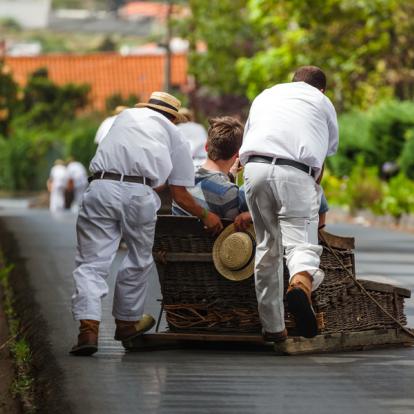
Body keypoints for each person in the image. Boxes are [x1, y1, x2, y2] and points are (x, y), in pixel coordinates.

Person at [70, 92, 223, 356]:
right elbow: (180, 195)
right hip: (138, 194)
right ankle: (127, 323)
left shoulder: (123, 118)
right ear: (174, 118)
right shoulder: (175, 135)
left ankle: (88, 328)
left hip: (101, 187)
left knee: (91, 263)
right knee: (139, 258)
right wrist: (206, 216)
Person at [239, 66, 339, 342]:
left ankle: (273, 328)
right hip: (295, 172)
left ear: (293, 81)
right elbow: (325, 151)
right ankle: (299, 286)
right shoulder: (321, 101)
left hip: (255, 168)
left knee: (267, 246)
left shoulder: (266, 95)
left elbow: (249, 136)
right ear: (322, 89)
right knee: (300, 245)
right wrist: (315, 187)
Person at [173, 116, 252, 230]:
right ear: (238, 154)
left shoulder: (182, 182)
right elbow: (234, 231)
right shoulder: (228, 192)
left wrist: (229, 177)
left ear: (206, 147)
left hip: (177, 243)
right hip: (210, 247)